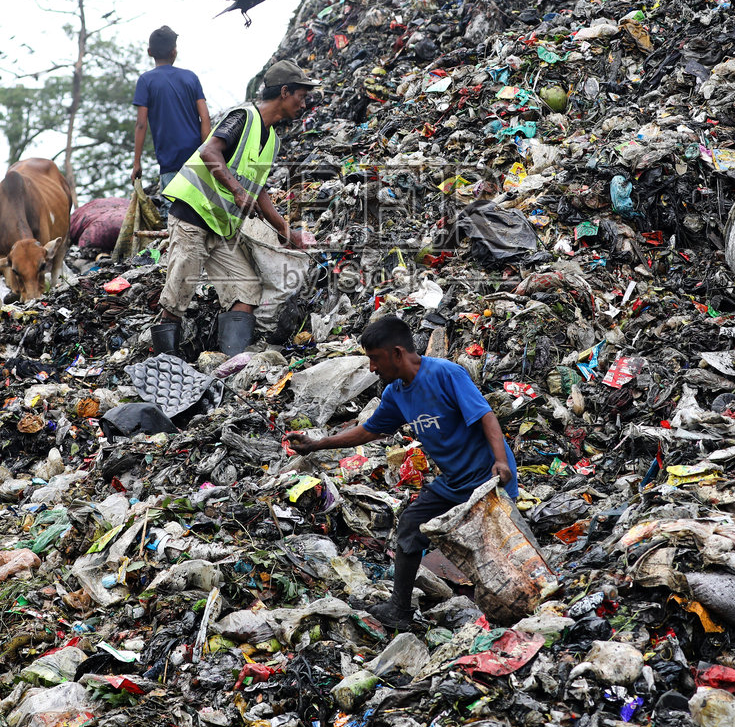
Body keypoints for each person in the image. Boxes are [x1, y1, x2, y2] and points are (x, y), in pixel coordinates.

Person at [285, 317, 519, 630]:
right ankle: (399, 610)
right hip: (453, 483)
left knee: (498, 548)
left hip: (487, 479)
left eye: (375, 358)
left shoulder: (446, 374)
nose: (371, 368)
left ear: (397, 353)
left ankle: (517, 608)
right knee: (411, 524)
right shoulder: (396, 393)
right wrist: (317, 444)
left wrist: (501, 462)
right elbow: (368, 431)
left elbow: (486, 417)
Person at [154, 59, 316, 358]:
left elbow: (260, 190)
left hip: (222, 228)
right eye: (301, 96)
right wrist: (236, 190)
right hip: (192, 216)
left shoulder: (272, 142)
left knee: (246, 292)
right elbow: (209, 151)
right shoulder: (244, 116)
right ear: (284, 92)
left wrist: (285, 231)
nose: (303, 104)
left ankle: (232, 364)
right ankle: (166, 364)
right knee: (177, 296)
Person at [131, 25, 211, 194]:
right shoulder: (190, 77)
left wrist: (137, 163)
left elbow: (141, 124)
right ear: (174, 52)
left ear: (149, 52)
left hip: (170, 164)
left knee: (175, 215)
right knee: (200, 214)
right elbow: (205, 117)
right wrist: (206, 153)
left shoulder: (146, 81)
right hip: (196, 160)